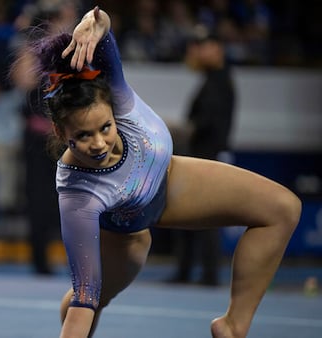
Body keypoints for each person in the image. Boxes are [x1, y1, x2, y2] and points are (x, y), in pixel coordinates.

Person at [20, 7, 301, 338]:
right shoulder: (77, 195)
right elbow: (86, 295)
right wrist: (81, 310)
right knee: (88, 301)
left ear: (113, 110)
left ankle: (232, 327)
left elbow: (103, 27)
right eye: (82, 136)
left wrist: (95, 23)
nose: (99, 144)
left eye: (105, 128)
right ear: (59, 131)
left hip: (173, 179)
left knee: (283, 209)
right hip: (129, 232)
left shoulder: (118, 94)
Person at [167, 24, 236, 286]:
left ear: (216, 49)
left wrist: (179, 129)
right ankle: (188, 272)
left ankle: (206, 274)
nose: (195, 52)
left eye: (201, 46)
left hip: (207, 159)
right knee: (190, 217)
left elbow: (206, 124)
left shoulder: (219, 81)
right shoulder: (214, 79)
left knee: (205, 220)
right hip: (202, 158)